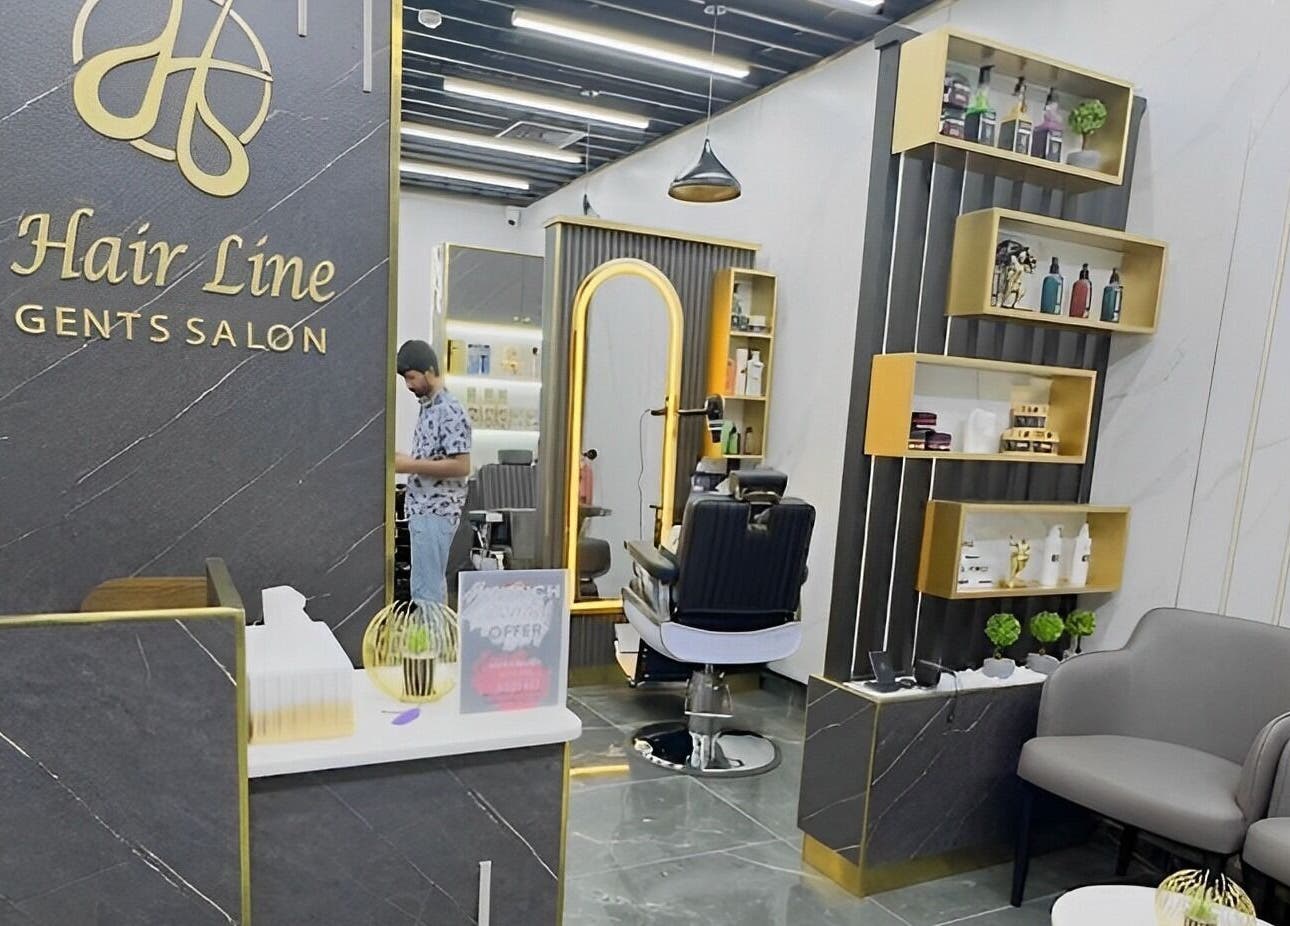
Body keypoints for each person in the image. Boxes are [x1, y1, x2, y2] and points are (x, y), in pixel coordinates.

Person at [394, 340, 471, 605]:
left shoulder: (448, 410)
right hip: (425, 510)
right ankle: (435, 644)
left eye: (412, 377)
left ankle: (434, 645)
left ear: (428, 371)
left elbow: (461, 465)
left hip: (436, 511)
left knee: (426, 593)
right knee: (427, 588)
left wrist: (410, 465)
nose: (409, 385)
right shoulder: (430, 408)